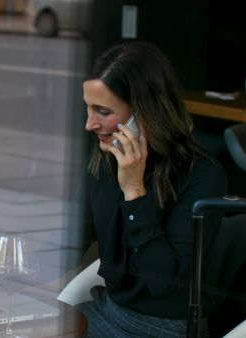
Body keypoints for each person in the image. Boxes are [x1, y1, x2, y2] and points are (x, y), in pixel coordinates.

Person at [77, 41, 227, 337]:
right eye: (88, 109)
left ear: (143, 112)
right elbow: (78, 233)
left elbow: (165, 285)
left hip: (161, 327)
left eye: (103, 111)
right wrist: (16, 271)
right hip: (107, 309)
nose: (89, 124)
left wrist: (134, 191)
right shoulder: (105, 159)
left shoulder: (204, 176)